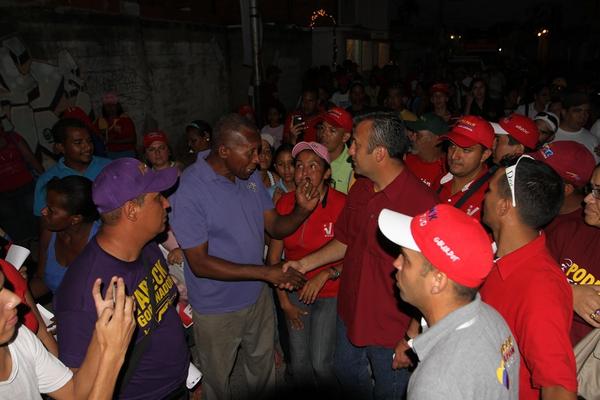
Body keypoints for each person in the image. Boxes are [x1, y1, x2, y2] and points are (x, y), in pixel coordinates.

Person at [285, 112, 438, 400]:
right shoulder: (361, 189)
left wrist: (411, 335)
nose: (350, 151)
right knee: (345, 373)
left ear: (379, 154)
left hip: (390, 327)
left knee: (389, 390)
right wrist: (303, 264)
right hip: (351, 313)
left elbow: (431, 278)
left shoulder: (421, 204)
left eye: (355, 144)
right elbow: (345, 241)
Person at [169, 113, 317, 400]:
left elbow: (274, 225)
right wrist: (266, 272)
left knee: (263, 371)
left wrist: (301, 211)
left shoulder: (248, 178)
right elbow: (199, 264)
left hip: (256, 297)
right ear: (224, 150)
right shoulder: (189, 189)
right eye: (250, 152)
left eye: (259, 151)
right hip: (216, 307)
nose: (258, 160)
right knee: (217, 381)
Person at [54, 158, 190, 399]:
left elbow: (161, 314)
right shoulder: (83, 293)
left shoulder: (146, 246)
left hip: (179, 382)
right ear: (131, 210)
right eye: (158, 198)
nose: (167, 203)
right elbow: (77, 388)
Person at [377, 204, 519, 399]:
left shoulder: (435, 386)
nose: (396, 263)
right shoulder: (492, 319)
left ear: (438, 280)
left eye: (406, 259)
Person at [480, 155, 578, 399]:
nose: (484, 197)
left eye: (489, 191)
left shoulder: (541, 289)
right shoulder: (490, 252)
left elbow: (559, 388)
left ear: (504, 206)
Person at [268, 142, 345, 392]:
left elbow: (355, 253)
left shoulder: (342, 204)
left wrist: (326, 274)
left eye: (313, 166)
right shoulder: (284, 203)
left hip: (331, 291)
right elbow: (273, 259)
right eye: (299, 166)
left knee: (321, 364)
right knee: (299, 364)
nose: (304, 173)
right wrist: (285, 304)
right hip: (293, 291)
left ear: (327, 172)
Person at [0, 272, 136, 400]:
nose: (15, 299)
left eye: (3, 287)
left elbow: (73, 392)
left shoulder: (19, 336)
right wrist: (113, 354)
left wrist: (102, 330)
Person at [536, 141, 599, 345]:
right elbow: (529, 279)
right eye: (591, 189)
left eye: (599, 193)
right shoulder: (570, 232)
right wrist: (569, 292)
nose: (587, 199)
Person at [33, 118, 111, 217]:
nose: (87, 147)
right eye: (78, 143)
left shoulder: (109, 167)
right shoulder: (47, 180)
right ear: (61, 147)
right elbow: (45, 220)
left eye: (89, 141)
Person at [37, 176, 100, 294]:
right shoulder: (49, 233)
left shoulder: (99, 247)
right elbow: (42, 280)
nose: (43, 211)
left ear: (75, 219)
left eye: (51, 210)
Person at [435, 115, 495, 220]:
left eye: (465, 150)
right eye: (452, 146)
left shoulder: (491, 196)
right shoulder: (440, 181)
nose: (454, 156)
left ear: (485, 155)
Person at [0, 259, 58, 356]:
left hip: (39, 355)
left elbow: (42, 331)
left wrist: (59, 359)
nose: (16, 300)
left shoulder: (5, 268)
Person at [0, 121, 44, 245]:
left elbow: (30, 157)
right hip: (2, 192)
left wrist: (44, 176)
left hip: (25, 185)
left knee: (33, 214)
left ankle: (38, 243)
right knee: (11, 221)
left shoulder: (12, 137)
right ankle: (22, 248)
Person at [404, 112, 448, 187]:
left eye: (418, 135)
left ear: (437, 140)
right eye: (413, 132)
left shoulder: (448, 169)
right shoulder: (406, 160)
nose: (411, 137)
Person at [553, 91, 599, 162]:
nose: (583, 116)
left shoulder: (593, 140)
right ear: (564, 112)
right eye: (577, 111)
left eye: (586, 111)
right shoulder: (549, 135)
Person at [316, 107, 354, 194]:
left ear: (345, 137)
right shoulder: (313, 156)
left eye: (332, 130)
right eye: (322, 128)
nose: (324, 134)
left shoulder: (353, 166)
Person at [95, 92, 137, 159]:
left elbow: (132, 139)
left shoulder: (125, 119)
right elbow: (96, 137)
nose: (110, 108)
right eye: (107, 106)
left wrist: (112, 141)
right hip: (109, 153)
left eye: (112, 105)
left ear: (117, 106)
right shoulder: (100, 121)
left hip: (126, 152)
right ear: (104, 107)